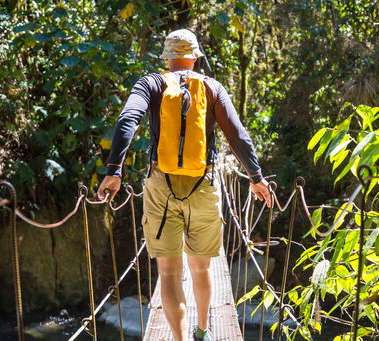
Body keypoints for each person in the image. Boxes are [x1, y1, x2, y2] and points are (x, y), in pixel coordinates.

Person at [97, 28, 272, 341]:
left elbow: (127, 120)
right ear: (195, 57)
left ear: (166, 57)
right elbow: (237, 135)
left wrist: (114, 171)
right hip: (203, 186)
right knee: (202, 269)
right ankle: (202, 331)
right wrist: (256, 178)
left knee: (169, 272)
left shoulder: (150, 83)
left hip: (160, 187)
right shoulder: (212, 87)